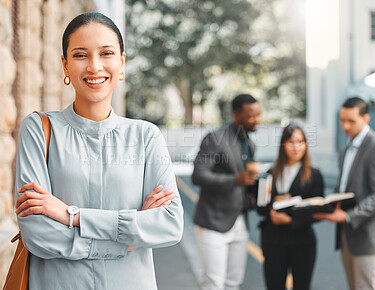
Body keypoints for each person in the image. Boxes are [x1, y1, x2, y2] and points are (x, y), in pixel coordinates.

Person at [14, 12, 183, 290]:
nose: (94, 66)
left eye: (106, 53)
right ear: (65, 65)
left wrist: (71, 215)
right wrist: (129, 238)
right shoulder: (39, 129)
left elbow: (169, 224)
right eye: (80, 55)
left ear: (121, 62)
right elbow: (38, 234)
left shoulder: (145, 136)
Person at [314, 97, 375, 290]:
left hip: (369, 235)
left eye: (351, 121)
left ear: (366, 118)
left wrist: (348, 216)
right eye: (342, 120)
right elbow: (345, 187)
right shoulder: (345, 149)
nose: (345, 125)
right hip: (348, 233)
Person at [192, 94, 261, 290]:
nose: (256, 120)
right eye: (250, 116)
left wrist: (252, 196)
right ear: (236, 115)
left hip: (240, 222)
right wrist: (235, 180)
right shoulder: (215, 138)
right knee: (214, 284)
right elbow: (199, 175)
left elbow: (245, 183)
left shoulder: (250, 143)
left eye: (258, 114)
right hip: (213, 222)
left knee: (233, 283)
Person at [257, 124, 324, 290]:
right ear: (283, 145)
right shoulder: (270, 173)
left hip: (302, 242)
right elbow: (260, 207)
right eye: (291, 142)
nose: (296, 147)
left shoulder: (314, 175)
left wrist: (290, 219)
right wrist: (273, 206)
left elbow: (317, 210)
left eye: (301, 142)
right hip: (274, 242)